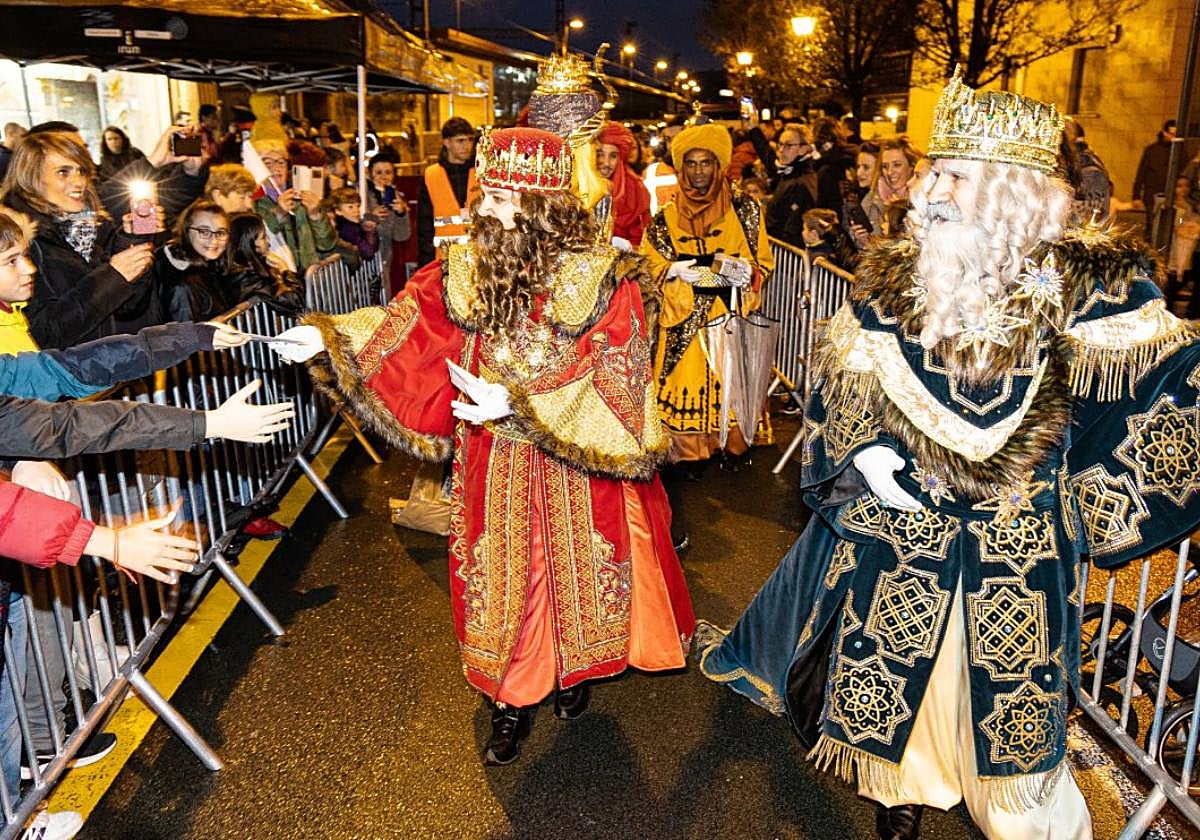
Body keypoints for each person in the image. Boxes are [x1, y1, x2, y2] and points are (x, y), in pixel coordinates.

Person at [696, 70, 1200, 840]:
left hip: (1019, 546)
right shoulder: (900, 278)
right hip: (907, 535)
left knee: (1011, 728)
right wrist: (863, 455)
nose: (930, 190)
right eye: (935, 170)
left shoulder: (1091, 286)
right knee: (905, 681)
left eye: (954, 176)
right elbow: (846, 379)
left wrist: (1089, 501)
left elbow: (1169, 390)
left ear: (1008, 191)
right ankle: (899, 792)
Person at [272, 126, 695, 767]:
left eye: (498, 197)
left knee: (574, 572)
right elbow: (409, 321)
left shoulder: (601, 277)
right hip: (492, 456)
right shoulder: (466, 266)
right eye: (484, 193)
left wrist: (523, 403)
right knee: (505, 574)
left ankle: (572, 672)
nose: (483, 209)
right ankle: (511, 698)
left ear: (538, 203)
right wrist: (330, 338)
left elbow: (620, 369)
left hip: (572, 457)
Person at [640, 123, 774, 549]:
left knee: (729, 386)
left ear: (719, 167)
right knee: (682, 386)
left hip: (727, 316)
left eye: (706, 164)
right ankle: (688, 458)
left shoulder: (746, 211)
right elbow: (650, 265)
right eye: (691, 164)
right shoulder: (664, 218)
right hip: (682, 320)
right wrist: (681, 270)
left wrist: (728, 272)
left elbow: (761, 264)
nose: (698, 172)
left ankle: (731, 450)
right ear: (681, 169)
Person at [0, 130, 163, 349]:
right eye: (63, 172)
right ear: (31, 177)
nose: (79, 182)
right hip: (70, 369)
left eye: (81, 171)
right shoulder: (19, 245)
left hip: (116, 363)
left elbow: (130, 309)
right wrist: (112, 277)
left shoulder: (96, 229)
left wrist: (132, 240)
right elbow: (43, 334)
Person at [253, 139, 336, 274]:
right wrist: (278, 214)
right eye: (267, 163)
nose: (276, 168)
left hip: (309, 276)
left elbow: (327, 244)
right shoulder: (254, 201)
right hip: (280, 275)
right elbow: (258, 241)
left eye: (281, 162)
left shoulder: (301, 195)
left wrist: (316, 215)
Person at [416, 116, 478, 268]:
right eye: (460, 141)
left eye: (470, 140)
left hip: (477, 256)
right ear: (446, 142)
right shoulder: (431, 175)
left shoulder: (481, 173)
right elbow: (424, 223)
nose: (467, 145)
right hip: (443, 259)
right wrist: (427, 263)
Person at [596, 122, 652, 248]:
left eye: (613, 156)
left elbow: (642, 241)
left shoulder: (636, 190)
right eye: (600, 154)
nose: (606, 163)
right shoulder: (575, 185)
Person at [763, 124, 818, 247]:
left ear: (803, 149)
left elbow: (792, 230)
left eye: (788, 145)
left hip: (784, 250)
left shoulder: (800, 182)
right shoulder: (788, 174)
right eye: (780, 144)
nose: (781, 150)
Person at [364, 155, 412, 288]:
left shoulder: (395, 196)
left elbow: (401, 236)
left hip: (385, 257)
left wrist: (401, 213)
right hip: (365, 257)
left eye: (388, 172)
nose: (384, 177)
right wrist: (371, 216)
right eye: (379, 172)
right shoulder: (361, 194)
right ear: (370, 174)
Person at [1133, 119, 1176, 241]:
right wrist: (1136, 195)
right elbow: (1141, 172)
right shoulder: (1151, 150)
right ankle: (1149, 244)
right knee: (1151, 222)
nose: (1173, 137)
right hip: (1152, 192)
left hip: (1170, 193)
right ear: (1164, 132)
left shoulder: (1179, 151)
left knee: (1166, 224)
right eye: (1171, 134)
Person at [327, 187, 379, 262]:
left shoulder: (354, 226)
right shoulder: (347, 229)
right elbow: (368, 253)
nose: (356, 210)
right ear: (338, 211)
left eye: (358, 206)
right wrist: (370, 231)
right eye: (350, 207)